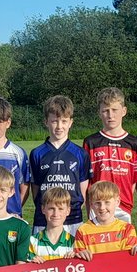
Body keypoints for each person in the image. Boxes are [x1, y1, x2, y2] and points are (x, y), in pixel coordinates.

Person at [29, 95, 90, 233]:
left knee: (72, 254)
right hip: (43, 219)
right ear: (46, 122)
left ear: (70, 122)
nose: (59, 126)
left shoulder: (80, 153)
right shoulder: (37, 153)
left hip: (73, 219)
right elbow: (36, 191)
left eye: (64, 121)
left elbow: (82, 192)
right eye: (54, 121)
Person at [83, 87, 137, 220]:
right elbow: (87, 180)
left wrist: (125, 202)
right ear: (99, 113)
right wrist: (89, 208)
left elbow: (134, 180)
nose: (110, 115)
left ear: (124, 111)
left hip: (123, 206)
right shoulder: (91, 142)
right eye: (105, 111)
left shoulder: (134, 144)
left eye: (114, 110)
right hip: (97, 206)